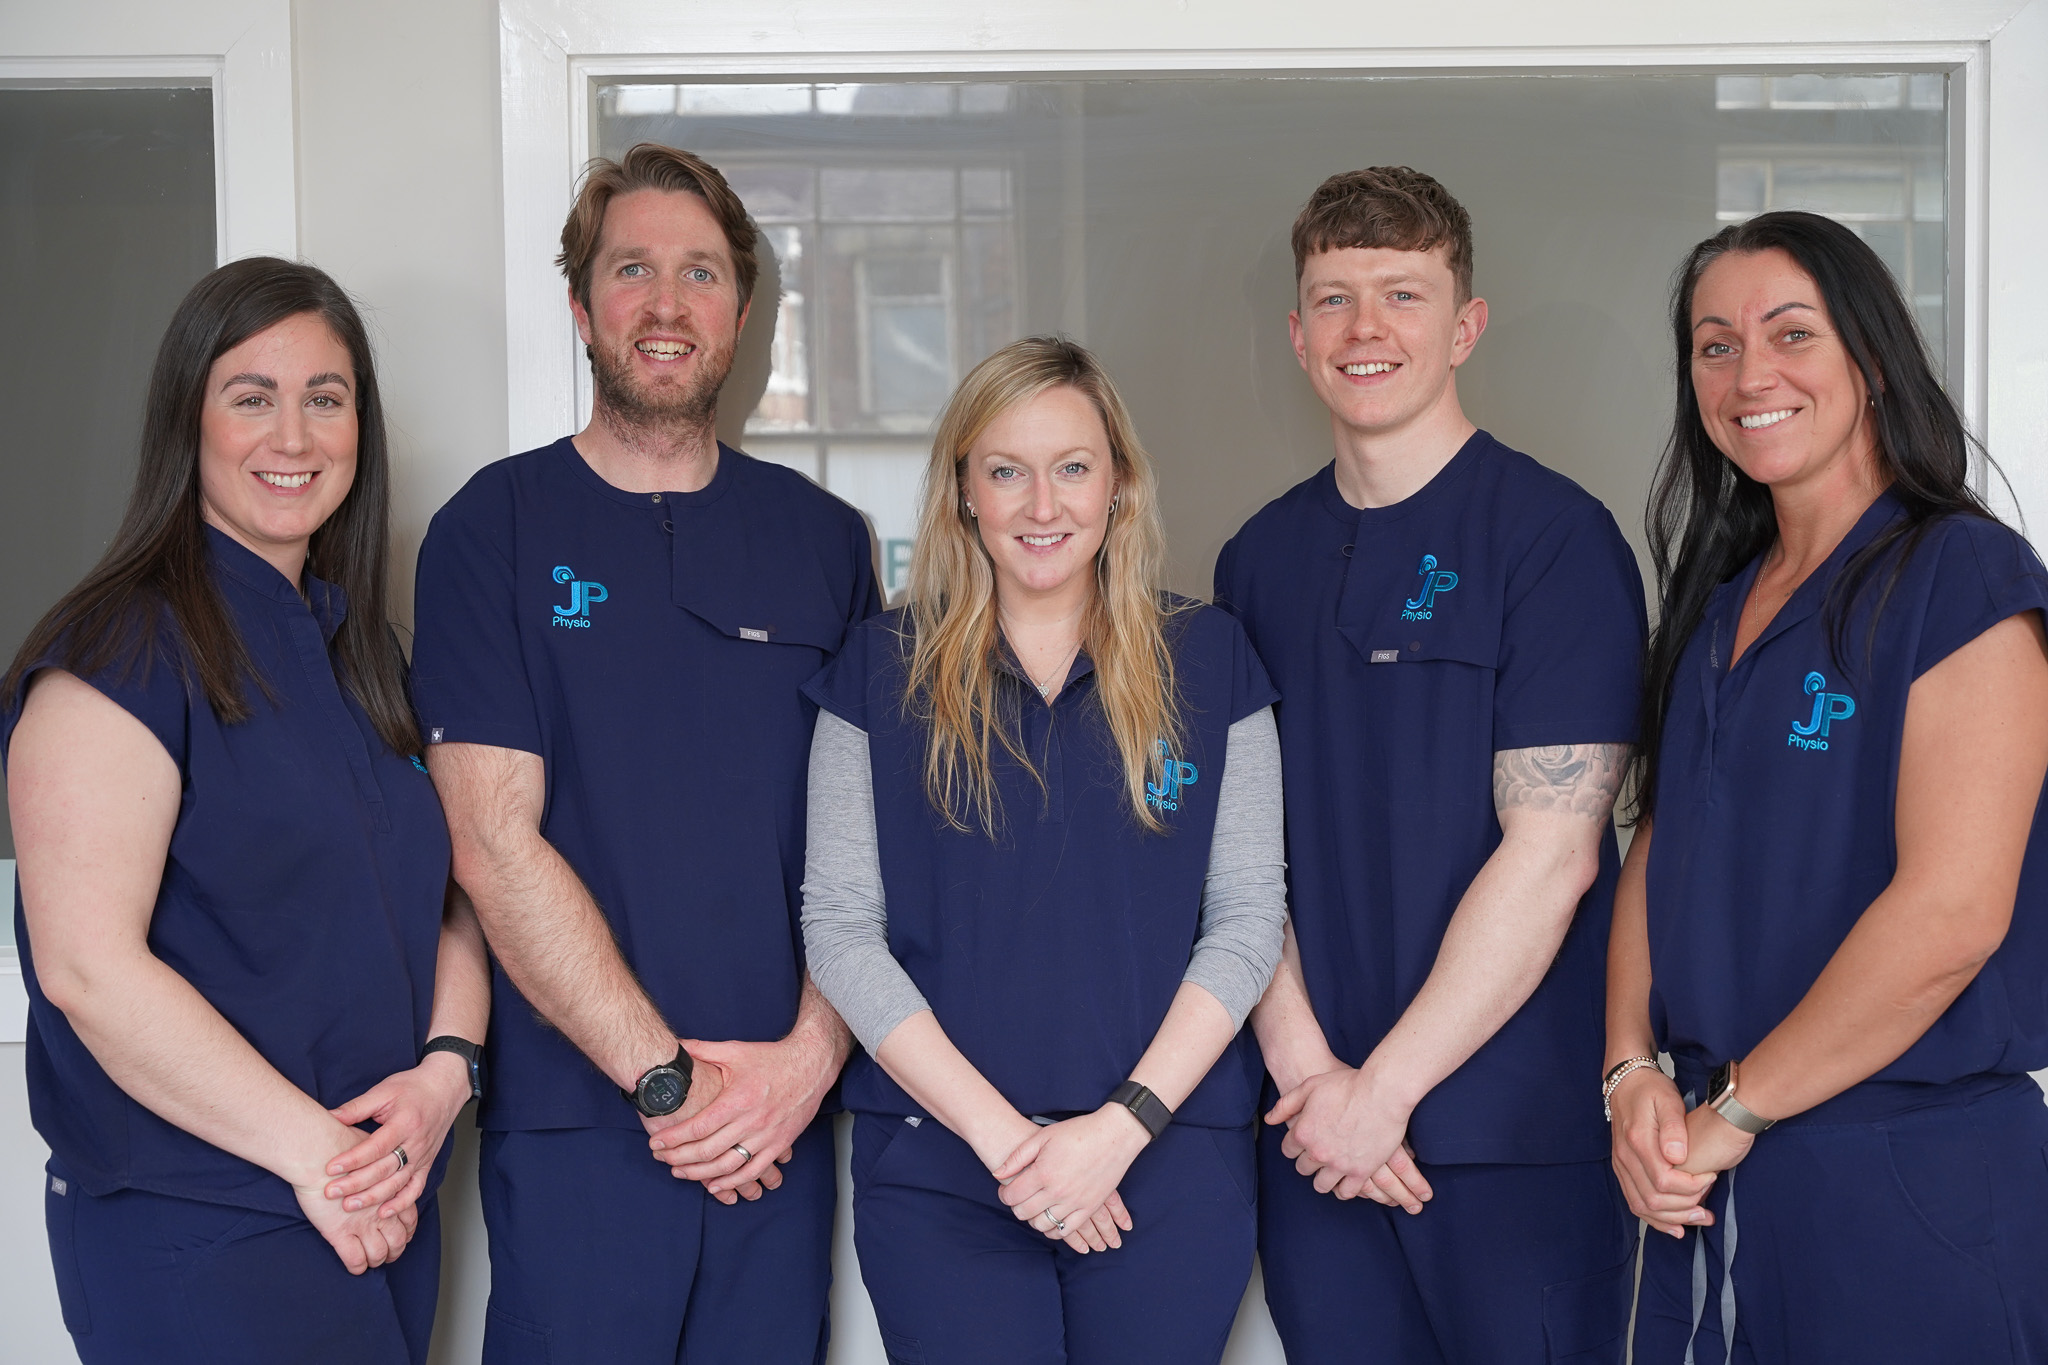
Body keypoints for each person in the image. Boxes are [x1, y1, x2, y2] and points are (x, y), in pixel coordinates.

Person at [409, 142, 878, 1363]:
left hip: (783, 1121)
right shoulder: (489, 533)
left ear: (737, 312)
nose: (666, 304)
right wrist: (667, 1085)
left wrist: (806, 1061)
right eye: (631, 271)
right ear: (580, 306)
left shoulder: (826, 543)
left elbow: (867, 845)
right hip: (579, 1129)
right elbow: (489, 841)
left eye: (700, 274)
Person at [1, 257, 490, 1364]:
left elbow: (447, 897)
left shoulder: (362, 655)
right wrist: (323, 1160)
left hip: (382, 1207)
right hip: (206, 1223)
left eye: (326, 398)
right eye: (251, 396)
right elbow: (87, 969)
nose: (295, 436)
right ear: (190, 419)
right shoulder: (118, 652)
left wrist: (442, 1075)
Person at [1212, 166, 1646, 1363]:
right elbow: (1237, 856)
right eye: (1334, 298)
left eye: (1402, 295)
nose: (1366, 330)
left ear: (1463, 326)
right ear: (1297, 333)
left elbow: (1553, 853)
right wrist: (1311, 1080)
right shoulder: (1255, 563)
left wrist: (1382, 1092)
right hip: (1309, 1129)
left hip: (1509, 1140)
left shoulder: (1554, 541)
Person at [1608, 209, 2048, 1363]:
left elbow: (1950, 915)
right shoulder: (1718, 602)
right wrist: (1629, 1075)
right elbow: (1660, 841)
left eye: (1788, 333)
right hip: (1708, 1170)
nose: (1748, 372)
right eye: (1712, 344)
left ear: (1867, 358)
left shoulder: (1960, 577)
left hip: (1899, 1174)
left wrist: (1733, 1111)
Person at [800, 336, 1286, 1364]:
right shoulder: (874, 669)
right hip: (943, 1172)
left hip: (1165, 1167)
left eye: (1071, 467)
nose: (1041, 505)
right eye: (1005, 471)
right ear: (962, 493)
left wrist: (1116, 1133)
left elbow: (1245, 918)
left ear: (1118, 487)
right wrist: (1011, 1147)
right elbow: (840, 931)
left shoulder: (1211, 659)